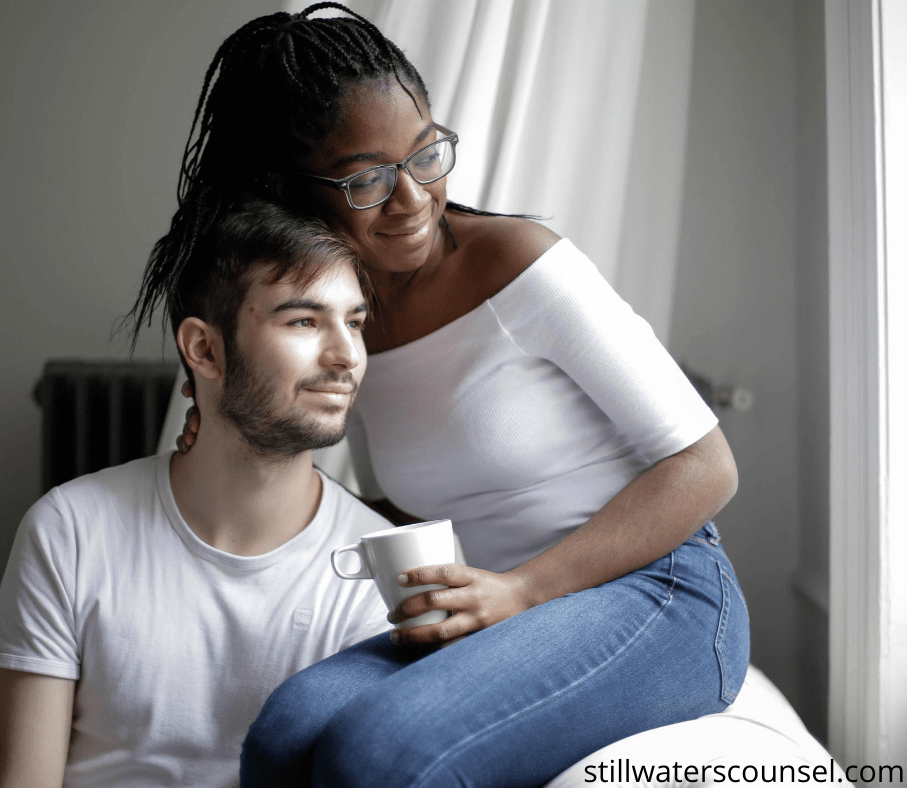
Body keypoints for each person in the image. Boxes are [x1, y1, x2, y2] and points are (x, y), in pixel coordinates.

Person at [147, 6, 751, 787]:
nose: (413, 198)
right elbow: (403, 503)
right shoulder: (346, 318)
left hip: (664, 589)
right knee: (285, 734)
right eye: (367, 177)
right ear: (295, 193)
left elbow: (707, 466)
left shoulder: (521, 266)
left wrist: (523, 590)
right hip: (493, 602)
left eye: (426, 153)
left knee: (378, 754)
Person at [0, 200, 394, 788]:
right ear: (204, 349)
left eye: (353, 322)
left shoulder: (379, 564)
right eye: (303, 321)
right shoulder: (70, 530)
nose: (346, 356)